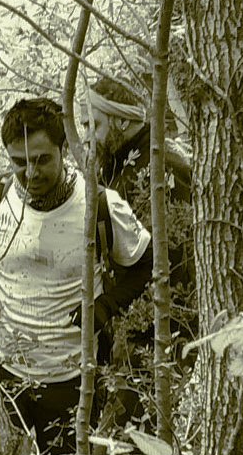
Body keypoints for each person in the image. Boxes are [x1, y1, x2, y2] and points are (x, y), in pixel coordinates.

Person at [0, 96, 153, 455]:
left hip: (72, 380)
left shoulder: (99, 205)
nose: (30, 173)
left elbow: (143, 263)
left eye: (41, 160)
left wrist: (106, 307)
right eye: (19, 162)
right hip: (6, 375)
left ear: (63, 150)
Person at [82, 74, 195, 362]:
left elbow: (173, 260)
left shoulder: (164, 166)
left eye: (94, 125)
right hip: (121, 325)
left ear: (121, 121)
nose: (87, 136)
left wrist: (129, 329)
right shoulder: (110, 165)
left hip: (161, 334)